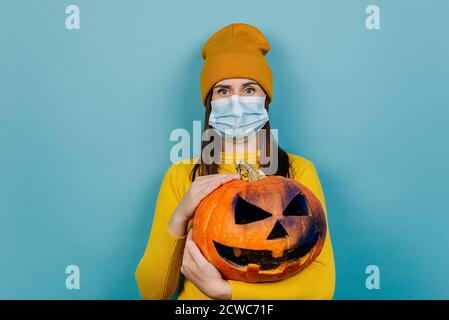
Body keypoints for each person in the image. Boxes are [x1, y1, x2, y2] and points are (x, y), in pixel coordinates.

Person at [135, 23, 335, 300]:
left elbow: (321, 288)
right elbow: (153, 293)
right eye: (224, 91)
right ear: (210, 103)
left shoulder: (298, 171)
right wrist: (181, 215)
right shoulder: (183, 175)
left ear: (265, 100)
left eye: (249, 90)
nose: (237, 102)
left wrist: (223, 291)